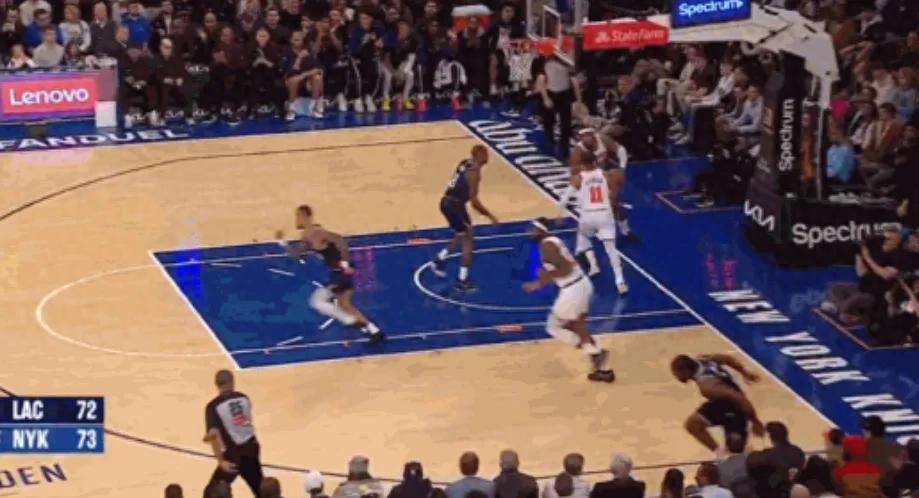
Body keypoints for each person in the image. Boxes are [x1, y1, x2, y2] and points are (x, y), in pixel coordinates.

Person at [522, 218, 615, 383]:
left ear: (541, 230)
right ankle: (602, 368)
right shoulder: (554, 241)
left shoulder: (547, 246)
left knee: (554, 326)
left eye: (533, 229)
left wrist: (540, 281)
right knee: (578, 326)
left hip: (572, 289)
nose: (530, 232)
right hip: (582, 284)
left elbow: (566, 268)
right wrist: (546, 275)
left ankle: (594, 352)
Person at [277, 205, 384, 343]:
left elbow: (340, 241)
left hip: (340, 272)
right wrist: (282, 243)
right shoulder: (309, 234)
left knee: (317, 301)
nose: (296, 220)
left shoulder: (315, 232)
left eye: (298, 216)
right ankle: (374, 331)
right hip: (340, 272)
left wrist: (344, 262)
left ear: (305, 216)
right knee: (345, 305)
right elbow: (297, 254)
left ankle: (350, 321)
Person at [557, 149, 628, 295]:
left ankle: (593, 264)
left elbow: (564, 199)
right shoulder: (606, 175)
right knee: (611, 250)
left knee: (583, 238)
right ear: (595, 161)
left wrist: (560, 214)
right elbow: (614, 194)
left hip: (588, 216)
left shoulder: (578, 178)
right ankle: (620, 281)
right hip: (604, 214)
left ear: (582, 164)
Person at [430, 145, 499, 291]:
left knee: (461, 233)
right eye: (485, 153)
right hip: (454, 205)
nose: (488, 155)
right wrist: (489, 215)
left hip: (448, 202)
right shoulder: (474, 172)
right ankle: (462, 281)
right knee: (469, 241)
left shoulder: (465, 162)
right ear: (479, 155)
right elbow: (474, 202)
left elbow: (457, 183)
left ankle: (439, 259)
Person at [670, 354, 765, 456]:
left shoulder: (708, 386)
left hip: (736, 407)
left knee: (735, 450)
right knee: (693, 425)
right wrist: (744, 372)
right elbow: (727, 358)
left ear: (686, 371)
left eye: (677, 374)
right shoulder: (703, 359)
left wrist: (755, 421)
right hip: (721, 403)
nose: (676, 377)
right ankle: (721, 455)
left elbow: (739, 398)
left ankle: (737, 454)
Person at [203, 369, 263, 498]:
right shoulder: (244, 398)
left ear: (216, 384)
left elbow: (213, 435)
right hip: (251, 451)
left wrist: (221, 461)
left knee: (211, 493)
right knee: (262, 492)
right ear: (232, 381)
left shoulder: (213, 407)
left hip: (233, 456)